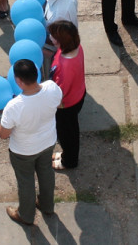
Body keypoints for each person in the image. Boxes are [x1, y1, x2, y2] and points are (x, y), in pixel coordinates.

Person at [0, 59, 62, 226]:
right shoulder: (52, 87)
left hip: (23, 151)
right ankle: (47, 206)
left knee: (26, 181)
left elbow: (3, 134)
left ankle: (26, 215)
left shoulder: (13, 106)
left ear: (18, 81)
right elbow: (59, 104)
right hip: (48, 142)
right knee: (46, 172)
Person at [48, 21, 85, 170]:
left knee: (67, 135)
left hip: (66, 105)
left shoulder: (65, 67)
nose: (50, 37)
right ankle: (66, 155)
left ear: (60, 40)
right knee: (71, 131)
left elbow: (60, 93)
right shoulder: (76, 47)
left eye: (53, 35)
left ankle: (69, 161)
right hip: (78, 94)